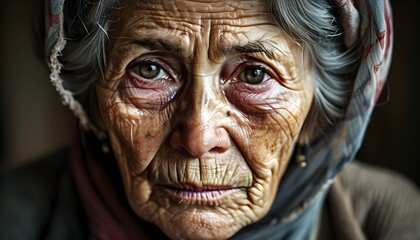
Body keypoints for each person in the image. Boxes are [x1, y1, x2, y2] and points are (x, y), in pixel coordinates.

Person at [1, 0, 420, 239]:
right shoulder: (13, 218)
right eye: (149, 70)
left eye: (255, 74)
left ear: (319, 110)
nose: (199, 136)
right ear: (92, 101)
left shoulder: (395, 223)